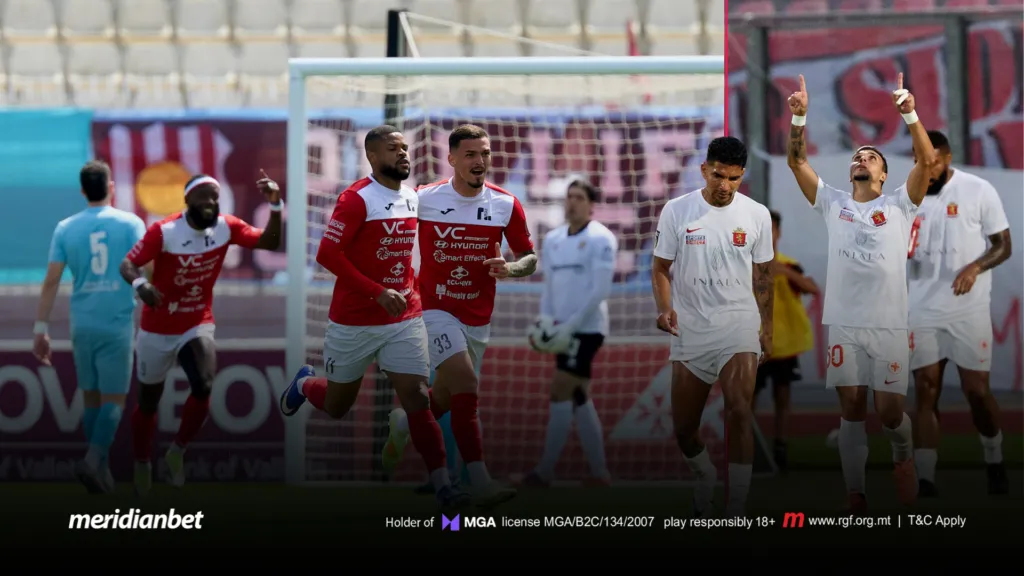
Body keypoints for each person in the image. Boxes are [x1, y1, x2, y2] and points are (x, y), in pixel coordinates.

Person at [277, 125, 470, 510]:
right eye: (394, 149)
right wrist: (376, 292)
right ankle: (303, 385)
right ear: (373, 156)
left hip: (404, 316)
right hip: (355, 320)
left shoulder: (414, 197)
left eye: (405, 148)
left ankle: (443, 485)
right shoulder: (356, 199)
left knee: (416, 397)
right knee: (336, 406)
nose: (403, 154)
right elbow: (328, 255)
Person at [786, 73, 936, 512]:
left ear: (884, 173)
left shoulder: (900, 205)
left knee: (890, 415)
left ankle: (903, 457)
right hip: (845, 324)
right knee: (851, 407)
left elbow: (926, 163)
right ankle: (856, 493)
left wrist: (909, 113)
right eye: (857, 156)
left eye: (870, 156)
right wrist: (799, 118)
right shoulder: (834, 203)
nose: (862, 159)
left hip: (889, 324)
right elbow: (797, 163)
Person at [382, 124, 537, 508]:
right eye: (470, 154)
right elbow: (388, 233)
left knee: (449, 398)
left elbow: (529, 257)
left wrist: (512, 269)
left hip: (477, 317)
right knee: (467, 381)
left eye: (484, 154)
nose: (479, 161)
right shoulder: (424, 198)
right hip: (432, 309)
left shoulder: (506, 204)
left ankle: (404, 421)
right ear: (451, 159)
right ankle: (478, 479)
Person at [120, 170, 283, 496]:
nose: (211, 202)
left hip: (196, 321)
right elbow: (128, 264)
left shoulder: (226, 226)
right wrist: (142, 286)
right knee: (148, 403)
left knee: (205, 383)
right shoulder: (164, 231)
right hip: (157, 327)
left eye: (215, 196)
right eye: (204, 196)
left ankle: (177, 451)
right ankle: (142, 464)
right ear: (187, 201)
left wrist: (276, 205)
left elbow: (268, 241)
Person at [652, 136, 775, 518]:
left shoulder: (757, 214)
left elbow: (764, 276)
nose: (725, 186)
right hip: (691, 329)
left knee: (739, 408)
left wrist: (766, 328)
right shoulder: (676, 210)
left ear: (742, 177)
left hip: (739, 324)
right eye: (718, 176)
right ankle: (704, 477)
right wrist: (664, 308)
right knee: (685, 431)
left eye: (734, 179)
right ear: (704, 169)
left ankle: (736, 508)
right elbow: (660, 268)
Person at [907, 130, 1012, 497]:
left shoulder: (978, 190)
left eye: (933, 162)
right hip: (920, 308)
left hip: (968, 309)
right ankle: (926, 478)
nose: (927, 169)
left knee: (976, 392)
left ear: (948, 158)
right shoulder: (906, 194)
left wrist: (975, 267)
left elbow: (1003, 245)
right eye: (920, 161)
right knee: (925, 389)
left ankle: (994, 457)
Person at [33, 161, 146, 493]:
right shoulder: (131, 224)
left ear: (82, 191)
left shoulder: (65, 228)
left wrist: (40, 327)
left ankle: (102, 473)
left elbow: (52, 280)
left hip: (82, 324)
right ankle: (93, 459)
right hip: (116, 323)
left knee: (92, 400)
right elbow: (146, 266)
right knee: (115, 400)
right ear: (111, 187)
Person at [517, 179, 617, 487]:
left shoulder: (601, 238)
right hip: (561, 331)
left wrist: (570, 327)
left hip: (587, 330)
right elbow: (549, 287)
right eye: (568, 197)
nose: (571, 202)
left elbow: (600, 290)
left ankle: (544, 472)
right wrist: (546, 322)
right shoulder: (554, 239)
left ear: (591, 205)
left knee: (561, 389)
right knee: (578, 396)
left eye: (578, 197)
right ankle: (600, 474)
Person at [754, 210, 818, 472]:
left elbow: (812, 288)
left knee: (783, 398)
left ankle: (781, 447)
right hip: (754, 343)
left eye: (771, 230)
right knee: (747, 398)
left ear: (778, 233)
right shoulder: (746, 264)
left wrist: (783, 272)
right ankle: (747, 445)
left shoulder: (789, 265)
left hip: (785, 344)